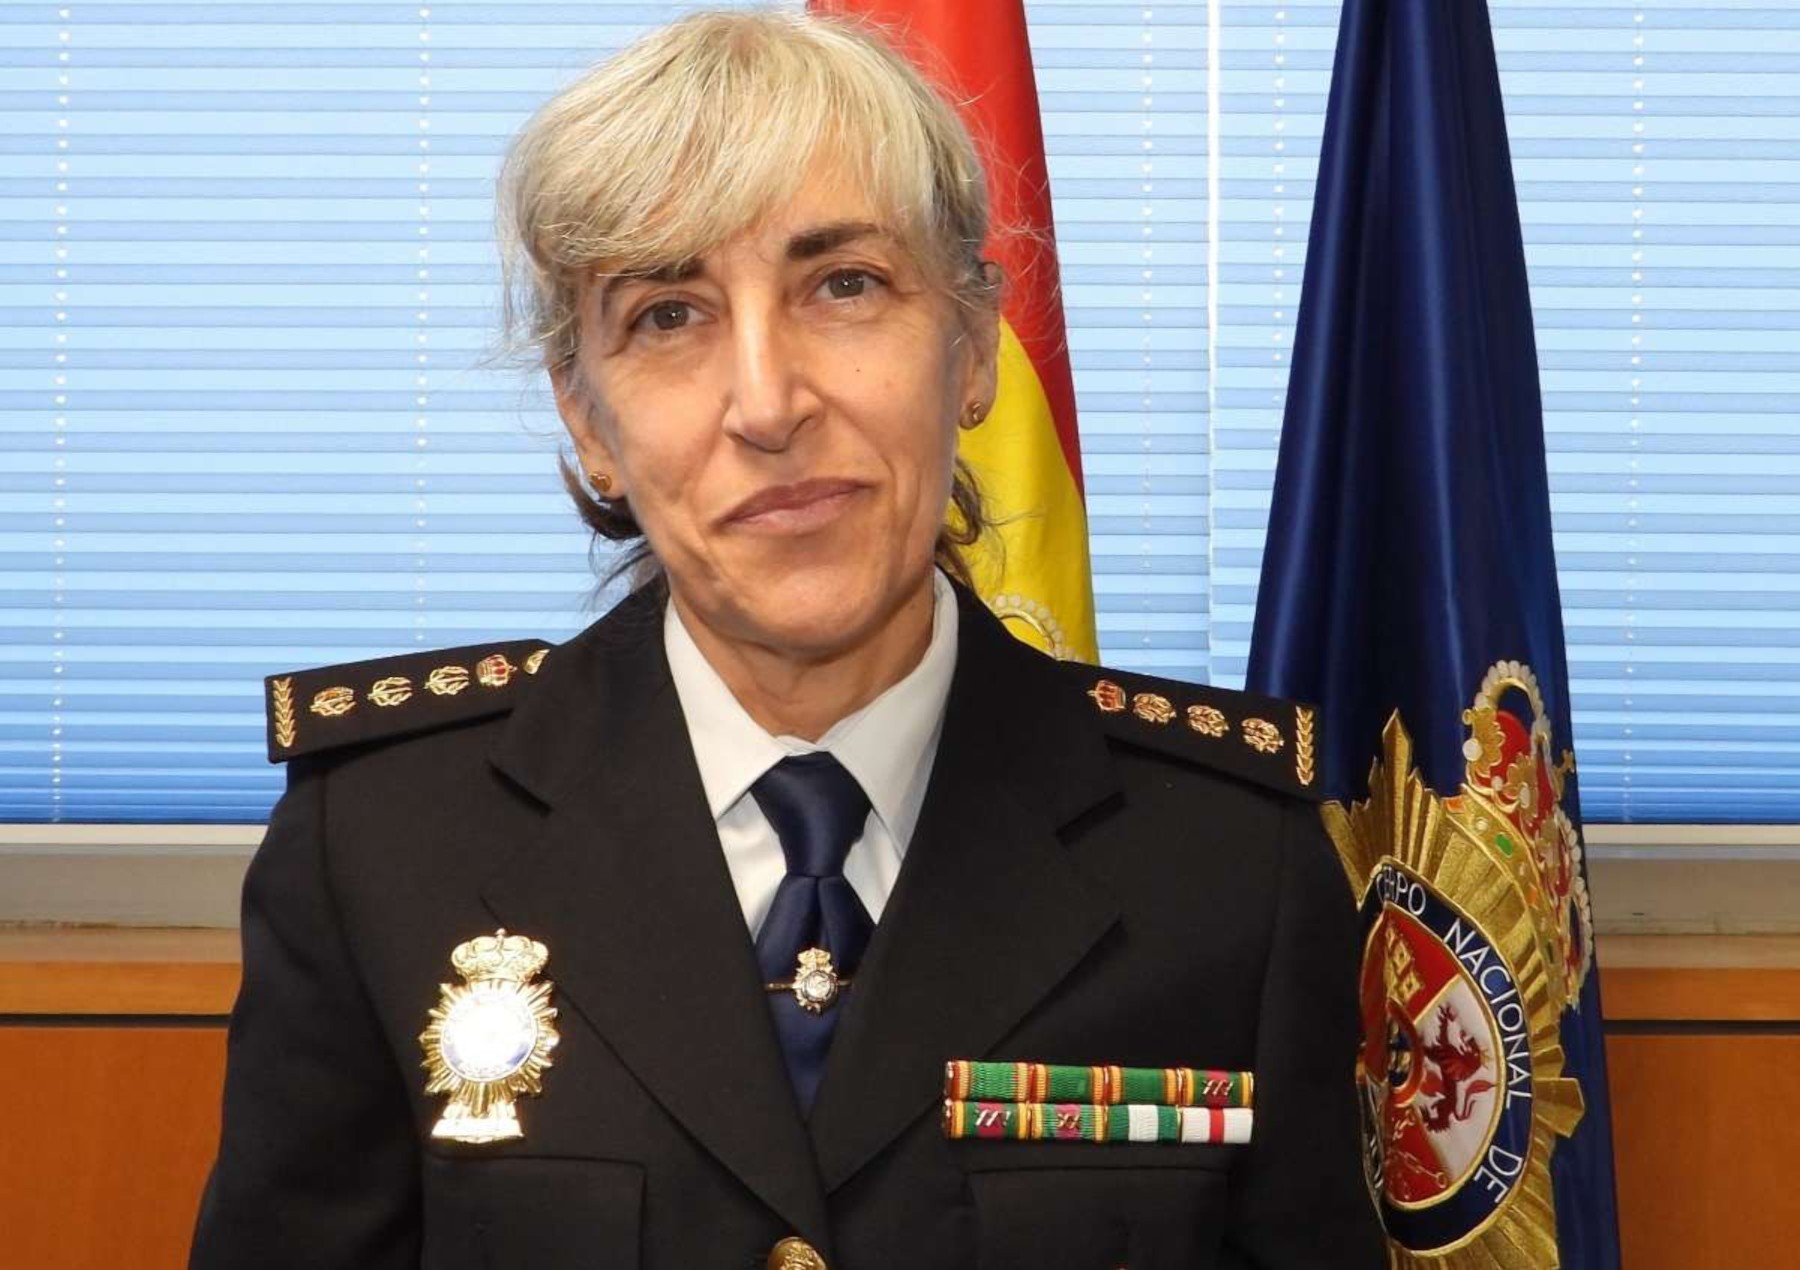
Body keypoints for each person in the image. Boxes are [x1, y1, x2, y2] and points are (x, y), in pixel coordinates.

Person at [190, 10, 1383, 1269]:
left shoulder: (1229, 862)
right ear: (587, 420)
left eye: (844, 285)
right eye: (668, 315)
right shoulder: (380, 844)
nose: (767, 403)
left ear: (973, 346)